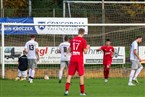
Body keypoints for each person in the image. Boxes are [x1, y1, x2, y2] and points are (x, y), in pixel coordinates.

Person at [64, 28, 90, 96]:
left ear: (78, 32)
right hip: (79, 60)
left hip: (73, 59)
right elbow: (85, 52)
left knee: (69, 75)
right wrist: (87, 47)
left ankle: (66, 91)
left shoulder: (72, 40)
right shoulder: (83, 41)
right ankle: (82, 92)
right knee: (81, 76)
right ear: (83, 33)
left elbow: (69, 50)